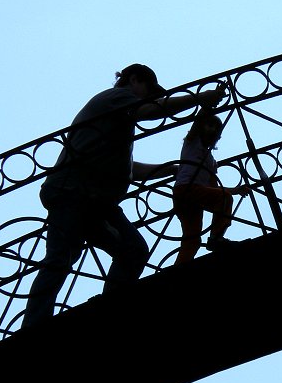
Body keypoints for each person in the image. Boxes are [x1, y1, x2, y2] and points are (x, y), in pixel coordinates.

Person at [22, 64, 226, 329]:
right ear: (134, 79)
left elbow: (129, 170)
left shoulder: (116, 121)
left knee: (132, 250)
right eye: (148, 91)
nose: (148, 97)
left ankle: (111, 312)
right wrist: (200, 98)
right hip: (73, 192)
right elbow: (151, 111)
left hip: (92, 200)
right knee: (60, 258)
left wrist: (170, 170)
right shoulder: (116, 98)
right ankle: (34, 327)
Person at [172, 109, 250, 265]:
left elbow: (214, 188)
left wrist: (237, 190)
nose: (213, 130)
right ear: (201, 127)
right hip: (186, 189)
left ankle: (178, 270)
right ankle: (216, 238)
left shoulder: (211, 162)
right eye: (209, 125)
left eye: (216, 128)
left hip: (191, 196)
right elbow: (198, 120)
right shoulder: (192, 142)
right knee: (225, 198)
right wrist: (209, 104)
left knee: (192, 239)